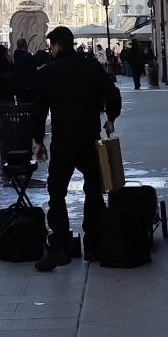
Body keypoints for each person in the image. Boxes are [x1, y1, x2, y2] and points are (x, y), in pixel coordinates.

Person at [31, 26, 122, 271]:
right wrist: (111, 118)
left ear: (58, 45)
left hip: (64, 141)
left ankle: (59, 248)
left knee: (57, 192)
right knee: (93, 190)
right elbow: (112, 93)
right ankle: (93, 245)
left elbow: (38, 110)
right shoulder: (91, 66)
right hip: (89, 138)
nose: (50, 50)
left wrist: (38, 141)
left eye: (51, 46)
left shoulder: (48, 73)